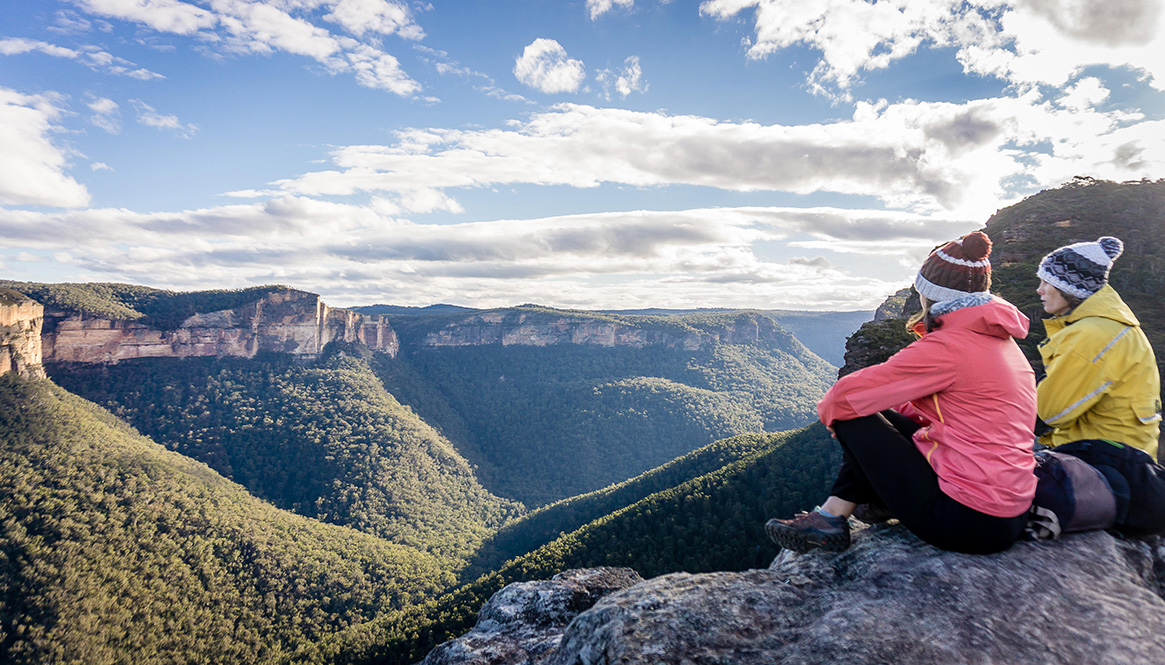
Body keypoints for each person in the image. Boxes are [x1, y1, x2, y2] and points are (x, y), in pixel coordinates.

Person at [766, 231, 1037, 555]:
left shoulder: (949, 347)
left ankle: (836, 516)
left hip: (968, 519)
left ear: (929, 295)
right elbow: (937, 413)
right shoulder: (999, 339)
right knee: (877, 415)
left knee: (854, 417)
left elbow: (841, 399)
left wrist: (847, 433)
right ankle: (834, 515)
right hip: (1008, 510)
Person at [1033, 236, 1165, 535]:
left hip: (1103, 467)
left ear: (1070, 287)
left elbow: (1050, 412)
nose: (1039, 290)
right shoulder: (1111, 324)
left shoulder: (1092, 335)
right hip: (1125, 458)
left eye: (1047, 282)